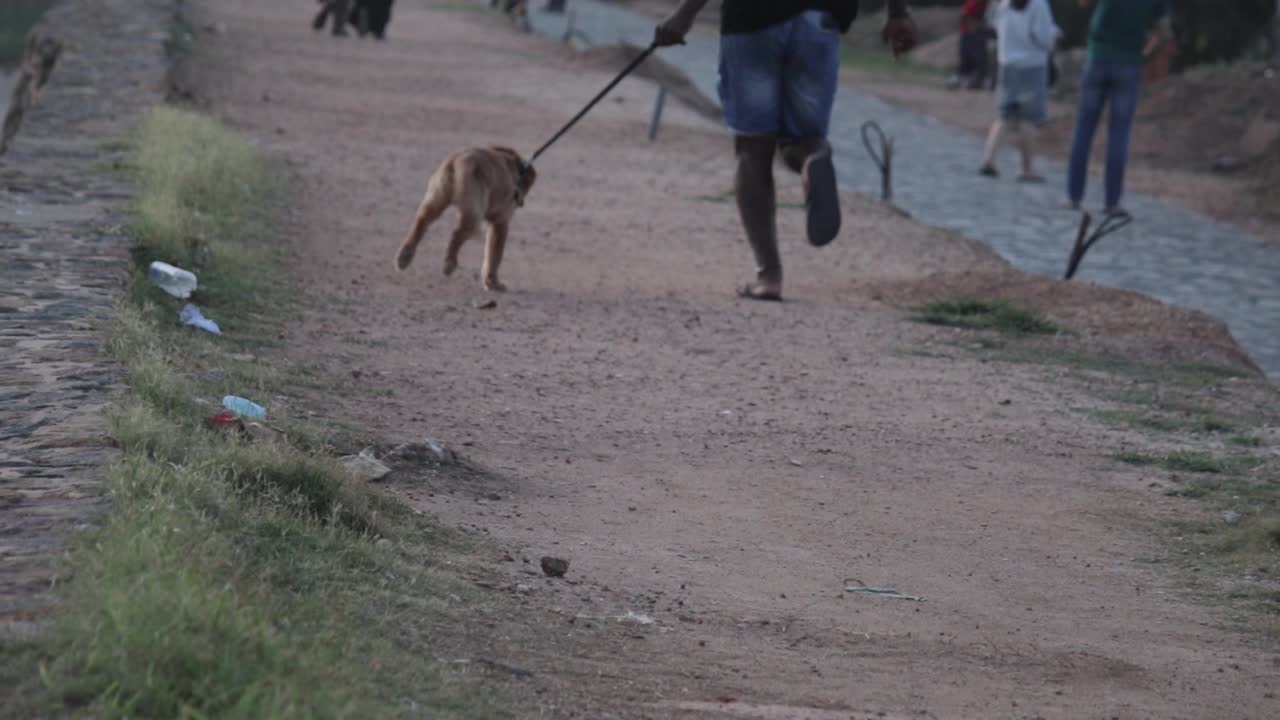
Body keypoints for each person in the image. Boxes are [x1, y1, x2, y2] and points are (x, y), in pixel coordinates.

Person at [653, 1, 918, 301]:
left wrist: (685, 14)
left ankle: (769, 276)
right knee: (806, 138)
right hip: (821, 17)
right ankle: (812, 159)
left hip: (754, 20)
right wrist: (898, 13)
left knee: (753, 148)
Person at [1066, 0, 1170, 218]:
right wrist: (1144, 56)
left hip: (1098, 57)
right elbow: (1164, 33)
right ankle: (1112, 202)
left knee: (1084, 129)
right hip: (1129, 64)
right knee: (1119, 135)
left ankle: (1074, 196)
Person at [979, 0, 1060, 182]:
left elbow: (994, 25)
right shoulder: (1039, 5)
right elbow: (1044, 37)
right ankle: (1027, 168)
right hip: (1033, 65)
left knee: (1004, 116)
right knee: (1029, 119)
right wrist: (1054, 34)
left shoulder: (1005, 4)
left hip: (1007, 63)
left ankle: (989, 160)